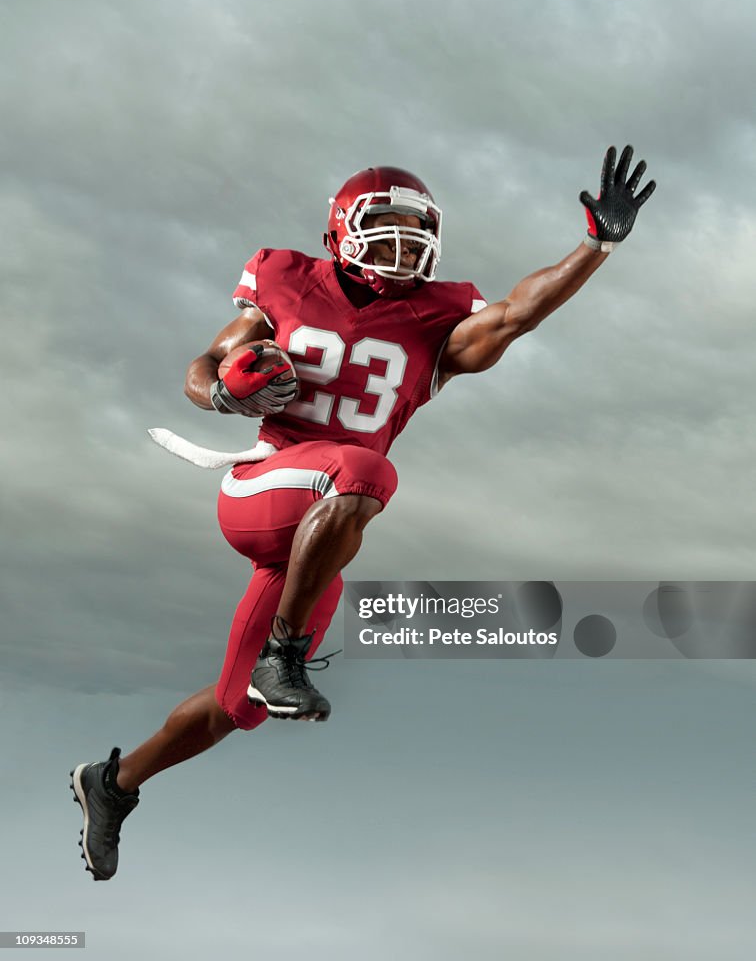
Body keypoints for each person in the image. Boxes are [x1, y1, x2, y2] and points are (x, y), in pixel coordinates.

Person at [70, 146, 655, 880]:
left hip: (324, 530)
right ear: (337, 234)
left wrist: (596, 245)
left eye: (416, 237)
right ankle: (287, 653)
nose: (403, 249)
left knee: (239, 706)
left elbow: (516, 315)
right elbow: (206, 365)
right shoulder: (286, 280)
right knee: (363, 469)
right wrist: (222, 393)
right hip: (262, 487)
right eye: (386, 233)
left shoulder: (437, 318)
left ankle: (113, 784)